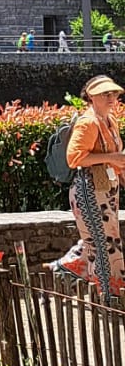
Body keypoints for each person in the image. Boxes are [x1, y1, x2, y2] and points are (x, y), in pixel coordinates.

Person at [60, 74, 125, 302]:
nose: (112, 98)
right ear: (91, 97)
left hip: (106, 189)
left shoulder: (110, 120)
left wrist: (116, 163)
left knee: (102, 241)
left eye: (114, 93)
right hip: (90, 188)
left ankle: (66, 269)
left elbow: (116, 159)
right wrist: (112, 157)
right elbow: (74, 157)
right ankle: (111, 296)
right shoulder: (88, 122)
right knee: (106, 243)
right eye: (106, 94)